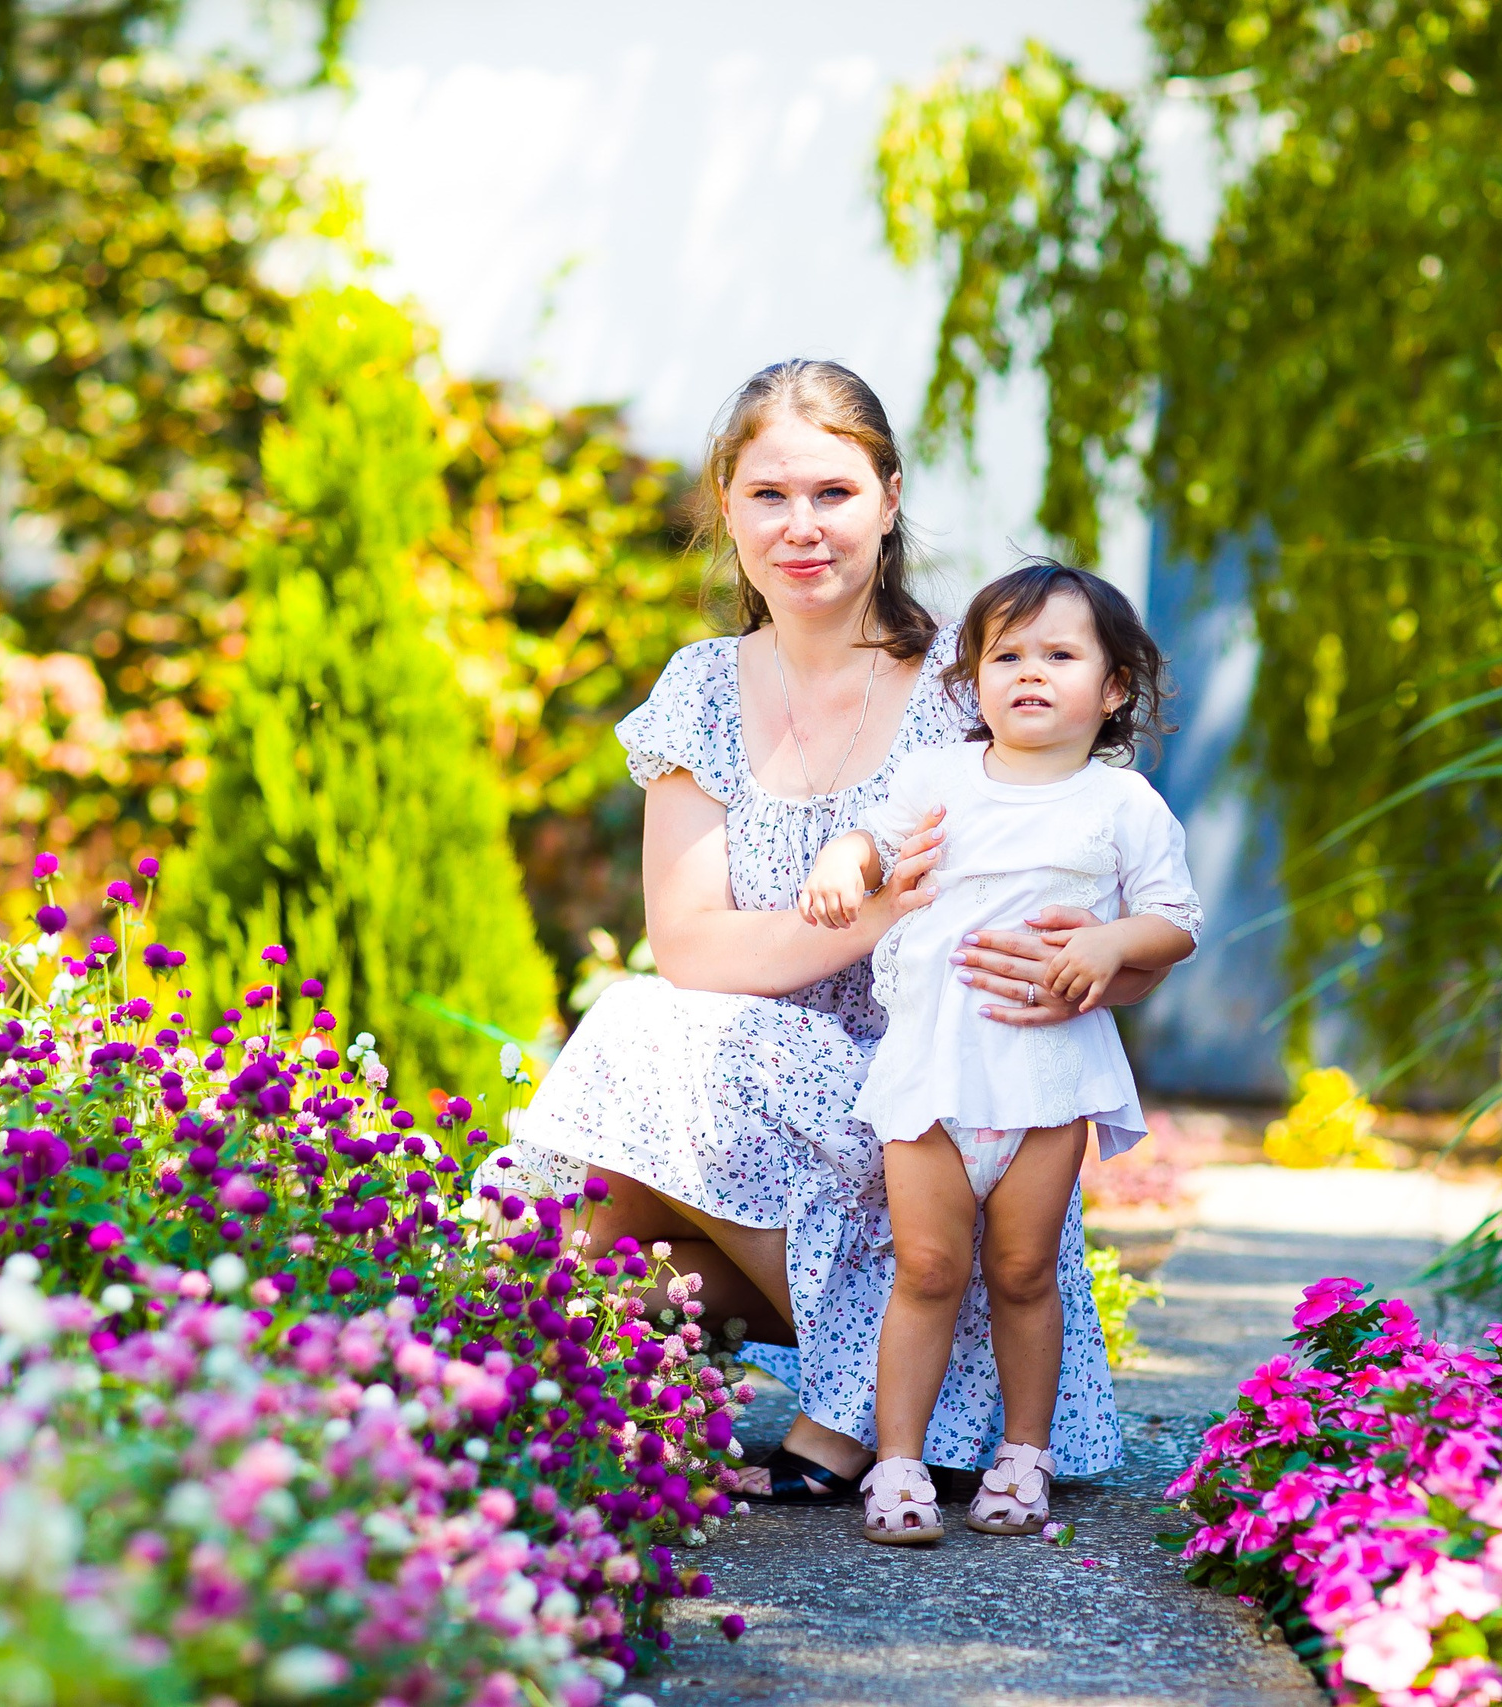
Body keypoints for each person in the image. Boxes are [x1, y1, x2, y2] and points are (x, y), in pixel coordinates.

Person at [492, 360, 1164, 1499]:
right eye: (769, 495)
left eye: (834, 494)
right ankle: (523, 1382)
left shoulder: (975, 681)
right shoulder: (701, 689)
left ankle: (857, 1414)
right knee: (586, 1237)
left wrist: (1090, 969)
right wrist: (884, 912)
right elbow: (693, 949)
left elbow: (1109, 897)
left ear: (888, 500)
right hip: (744, 1098)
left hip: (940, 1097)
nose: (801, 527)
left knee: (644, 1038)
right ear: (728, 508)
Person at [799, 561, 1199, 1543]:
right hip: (932, 1070)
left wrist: (1113, 941)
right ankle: (896, 1462)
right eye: (1006, 655)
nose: (1029, 672)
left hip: (1047, 1078)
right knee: (927, 1268)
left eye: (1059, 655)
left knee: (1024, 1272)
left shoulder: (1122, 803)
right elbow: (874, 837)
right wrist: (843, 858)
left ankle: (1024, 1453)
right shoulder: (940, 776)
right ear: (973, 680)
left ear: (1113, 688)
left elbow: (1175, 920)